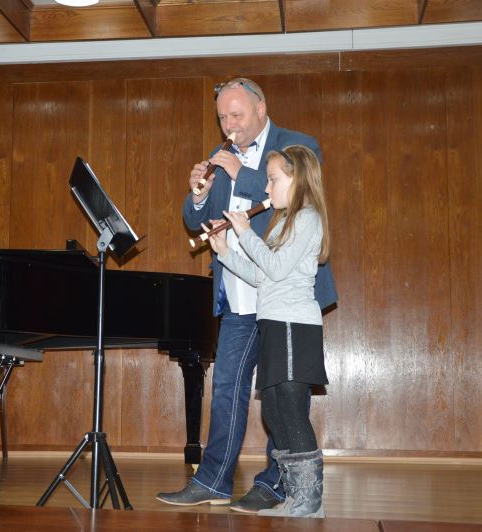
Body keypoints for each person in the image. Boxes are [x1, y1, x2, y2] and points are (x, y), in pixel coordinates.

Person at [155, 78, 337, 513]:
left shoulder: (297, 145)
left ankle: (276, 485)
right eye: (222, 117)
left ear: (261, 108)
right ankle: (213, 481)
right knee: (228, 387)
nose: (228, 125)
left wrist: (242, 173)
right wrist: (199, 194)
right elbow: (192, 218)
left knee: (283, 398)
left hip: (284, 298)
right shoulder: (220, 158)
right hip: (239, 294)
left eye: (236, 115)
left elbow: (298, 195)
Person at [209, 145, 329, 518]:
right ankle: (295, 495)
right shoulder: (282, 222)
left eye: (273, 179)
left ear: (298, 179)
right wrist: (225, 251)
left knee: (290, 409)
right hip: (274, 323)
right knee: (275, 413)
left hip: (295, 325)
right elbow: (263, 276)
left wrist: (245, 233)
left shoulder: (308, 218)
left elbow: (275, 268)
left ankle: (310, 500)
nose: (266, 187)